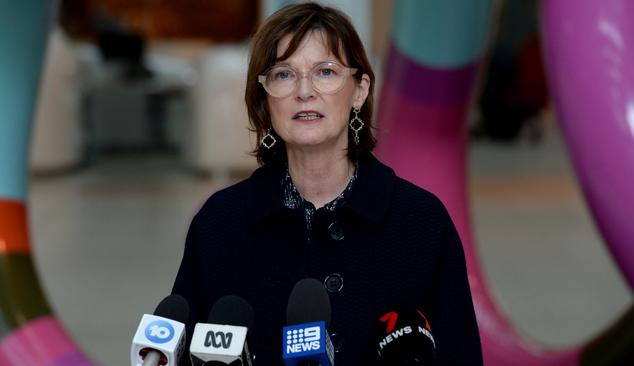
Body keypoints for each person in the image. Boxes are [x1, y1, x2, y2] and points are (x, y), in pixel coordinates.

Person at [172, 3, 482, 365]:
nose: (304, 91)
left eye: (326, 72)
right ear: (264, 97)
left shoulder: (421, 223)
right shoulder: (219, 223)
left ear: (360, 90)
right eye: (283, 74)